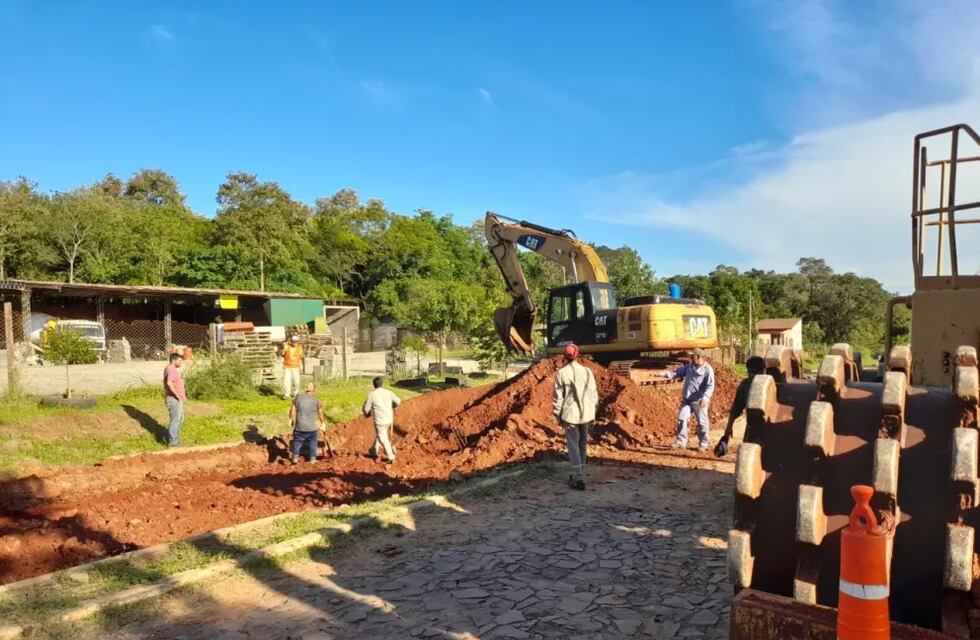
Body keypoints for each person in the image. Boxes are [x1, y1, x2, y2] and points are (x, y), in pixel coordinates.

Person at [552, 343, 598, 491]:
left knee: (573, 445)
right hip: (586, 414)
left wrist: (557, 414)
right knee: (583, 443)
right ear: (577, 354)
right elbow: (594, 394)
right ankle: (581, 472)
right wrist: (593, 411)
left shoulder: (561, 373)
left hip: (570, 415)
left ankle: (578, 478)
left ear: (565, 356)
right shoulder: (587, 372)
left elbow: (558, 397)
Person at [663, 348, 716, 451]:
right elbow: (677, 373)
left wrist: (706, 398)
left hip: (699, 401)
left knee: (702, 423)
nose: (690, 358)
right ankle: (681, 441)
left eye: (692, 356)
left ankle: (703, 443)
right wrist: (665, 374)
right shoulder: (689, 366)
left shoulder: (707, 370)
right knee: (682, 418)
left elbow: (710, 386)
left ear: (699, 357)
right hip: (687, 399)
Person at [714, 356, 765, 457]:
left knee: (750, 456)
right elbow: (736, 408)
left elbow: (736, 409)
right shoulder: (774, 385)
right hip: (758, 429)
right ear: (764, 370)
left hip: (753, 429)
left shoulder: (746, 384)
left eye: (752, 372)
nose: (751, 375)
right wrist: (728, 427)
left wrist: (728, 428)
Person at [363, 377, 401, 463]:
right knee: (381, 434)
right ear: (382, 384)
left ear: (374, 385)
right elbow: (398, 401)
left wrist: (368, 414)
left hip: (379, 421)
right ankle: (373, 450)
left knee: (382, 438)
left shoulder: (372, 395)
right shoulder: (389, 392)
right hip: (389, 419)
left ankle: (391, 456)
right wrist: (392, 406)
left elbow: (366, 410)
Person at [289, 382, 326, 464]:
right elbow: (320, 413)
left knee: (297, 442)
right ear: (314, 391)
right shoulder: (316, 400)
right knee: (313, 442)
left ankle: (295, 458)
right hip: (312, 428)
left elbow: (293, 409)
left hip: (299, 427)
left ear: (305, 390)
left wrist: (291, 420)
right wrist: (322, 423)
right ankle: (313, 459)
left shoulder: (298, 398)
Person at [163, 352, 186, 448]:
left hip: (175, 398)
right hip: (174, 399)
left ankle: (176, 439)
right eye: (180, 361)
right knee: (176, 420)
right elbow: (169, 383)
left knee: (180, 419)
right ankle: (173, 442)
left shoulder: (169, 368)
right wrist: (177, 395)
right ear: (174, 360)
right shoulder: (171, 369)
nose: (181, 363)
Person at [282, 334, 303, 399]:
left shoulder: (300, 347)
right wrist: (284, 349)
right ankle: (287, 395)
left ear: (298, 341)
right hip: (287, 366)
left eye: (296, 341)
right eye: (293, 341)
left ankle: (296, 394)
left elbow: (301, 357)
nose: (295, 343)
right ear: (291, 341)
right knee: (286, 381)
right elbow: (283, 355)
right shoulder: (287, 346)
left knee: (296, 382)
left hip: (296, 367)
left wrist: (301, 366)